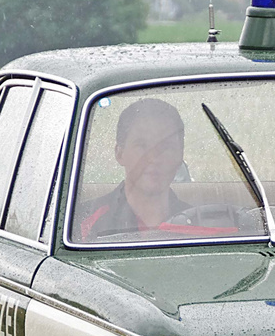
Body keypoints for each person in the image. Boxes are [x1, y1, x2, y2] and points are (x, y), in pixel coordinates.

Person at [74, 98, 190, 239]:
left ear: (180, 155)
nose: (154, 158)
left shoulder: (199, 222)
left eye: (166, 147)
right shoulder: (81, 223)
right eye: (142, 145)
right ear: (120, 153)